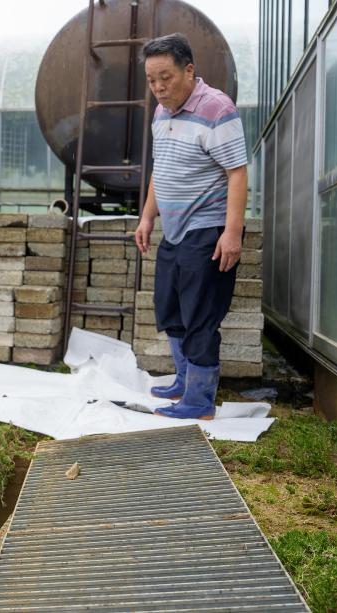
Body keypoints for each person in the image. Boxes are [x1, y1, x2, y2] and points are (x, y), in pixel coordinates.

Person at [134, 33, 248, 420]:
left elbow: (237, 172)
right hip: (175, 229)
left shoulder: (216, 107)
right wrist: (147, 216)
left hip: (208, 227)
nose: (158, 87)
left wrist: (232, 232)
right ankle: (184, 381)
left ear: (188, 70)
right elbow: (161, 168)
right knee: (170, 307)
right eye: (151, 80)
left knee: (200, 314)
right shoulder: (162, 112)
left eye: (165, 77)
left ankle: (200, 401)